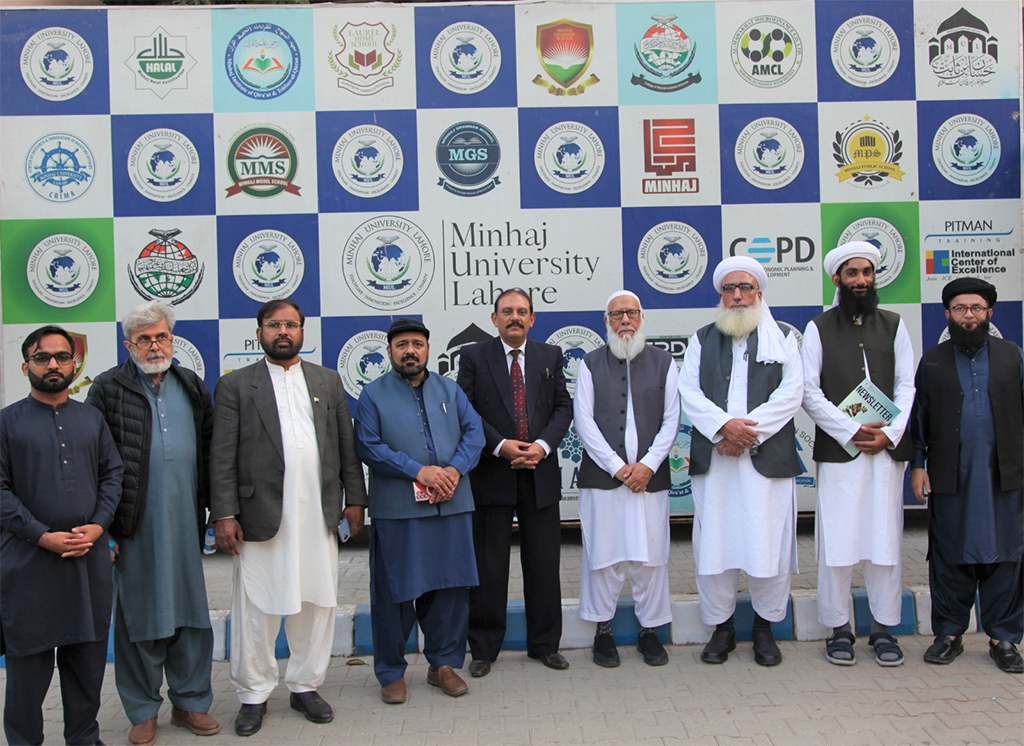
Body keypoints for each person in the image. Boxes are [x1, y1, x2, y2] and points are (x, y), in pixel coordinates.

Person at [209, 299, 367, 737]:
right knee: (257, 607)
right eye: (274, 324)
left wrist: (356, 500)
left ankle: (304, 685)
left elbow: (345, 446)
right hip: (260, 515)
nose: (283, 331)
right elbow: (221, 456)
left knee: (316, 602)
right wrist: (223, 513)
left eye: (291, 325)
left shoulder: (327, 381)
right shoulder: (236, 385)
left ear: (302, 331)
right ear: (259, 331)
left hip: (318, 513)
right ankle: (254, 693)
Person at [85, 302, 219, 745]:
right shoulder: (106, 389)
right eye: (144, 339)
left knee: (191, 616)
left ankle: (191, 703)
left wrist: (217, 515)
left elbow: (211, 454)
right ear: (129, 345)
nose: (154, 345)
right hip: (133, 525)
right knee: (139, 619)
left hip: (185, 523)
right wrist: (104, 527)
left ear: (172, 339)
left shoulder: (191, 384)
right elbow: (94, 466)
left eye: (161, 336)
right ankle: (143, 710)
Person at [1, 325, 124, 746]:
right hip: (28, 566)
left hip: (87, 564)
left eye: (62, 357)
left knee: (87, 667)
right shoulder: (6, 423)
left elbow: (113, 474)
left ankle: (84, 739)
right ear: (25, 366)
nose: (53, 364)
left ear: (75, 364)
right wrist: (41, 536)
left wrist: (99, 523)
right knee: (27, 675)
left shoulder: (91, 418)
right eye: (42, 357)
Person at [679, 257, 803, 666]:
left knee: (767, 541)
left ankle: (765, 629)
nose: (737, 296)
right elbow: (690, 393)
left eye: (745, 288)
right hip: (717, 458)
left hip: (764, 459)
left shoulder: (783, 336)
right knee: (714, 544)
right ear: (720, 295)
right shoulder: (701, 338)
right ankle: (722, 628)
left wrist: (746, 433)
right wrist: (723, 428)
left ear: (759, 293)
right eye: (729, 289)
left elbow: (791, 394)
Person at [354, 318, 485, 705]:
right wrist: (419, 471)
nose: (409, 350)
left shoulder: (450, 389)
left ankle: (443, 664)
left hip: (451, 504)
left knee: (450, 589)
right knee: (395, 593)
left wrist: (452, 470)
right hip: (400, 510)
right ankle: (391, 672)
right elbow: (369, 445)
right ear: (389, 351)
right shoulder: (373, 394)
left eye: (416, 343)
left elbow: (474, 433)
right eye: (401, 345)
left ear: (428, 349)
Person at [802, 242, 915, 667]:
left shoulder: (894, 324)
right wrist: (850, 430)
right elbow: (809, 393)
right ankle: (839, 628)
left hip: (886, 452)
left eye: (867, 272)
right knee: (839, 542)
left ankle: (884, 628)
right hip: (840, 451)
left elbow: (907, 385)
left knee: (884, 539)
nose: (861, 280)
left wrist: (891, 433)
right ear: (838, 279)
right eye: (852, 273)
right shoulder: (818, 328)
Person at [456, 289, 573, 677]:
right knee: (489, 567)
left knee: (543, 564)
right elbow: (466, 409)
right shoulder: (474, 357)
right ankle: (485, 649)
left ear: (533, 319)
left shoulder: (550, 356)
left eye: (522, 312)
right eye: (507, 312)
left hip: (539, 472)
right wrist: (502, 446)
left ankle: (544, 645)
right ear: (494, 318)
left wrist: (540, 446)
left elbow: (562, 408)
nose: (515, 318)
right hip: (492, 473)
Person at [911, 277, 1023, 674]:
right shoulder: (933, 360)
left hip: (1005, 478)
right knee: (949, 554)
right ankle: (949, 635)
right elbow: (920, 417)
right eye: (960, 308)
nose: (969, 315)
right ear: (948, 314)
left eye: (976, 308)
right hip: (950, 476)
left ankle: (1004, 639)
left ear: (989, 313)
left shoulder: (1012, 355)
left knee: (1007, 555)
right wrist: (918, 465)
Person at [574, 290, 680, 668]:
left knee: (650, 556)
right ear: (606, 321)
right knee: (603, 556)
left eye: (631, 313)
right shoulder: (589, 364)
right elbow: (583, 421)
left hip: (648, 479)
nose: (625, 321)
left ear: (641, 318)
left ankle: (649, 631)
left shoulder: (664, 363)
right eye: (617, 314)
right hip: (605, 479)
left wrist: (647, 465)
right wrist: (618, 467)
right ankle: (602, 631)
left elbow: (672, 420)